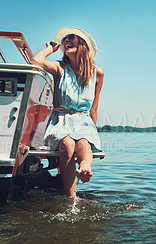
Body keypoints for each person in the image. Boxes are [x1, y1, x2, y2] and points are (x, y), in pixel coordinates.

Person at [31, 27, 104, 199]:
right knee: (67, 145)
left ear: (83, 44)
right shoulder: (59, 67)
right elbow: (35, 61)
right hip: (61, 120)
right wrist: (50, 49)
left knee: (84, 143)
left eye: (71, 37)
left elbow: (94, 108)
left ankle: (85, 167)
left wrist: (94, 132)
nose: (66, 41)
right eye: (64, 39)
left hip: (84, 120)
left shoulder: (97, 72)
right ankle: (71, 196)